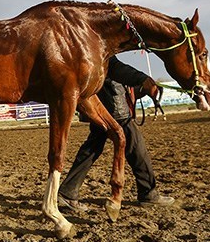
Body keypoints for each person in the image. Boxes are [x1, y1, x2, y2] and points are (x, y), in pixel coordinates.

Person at [58, 56, 175, 212]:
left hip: (107, 106)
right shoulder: (102, 51)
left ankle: (68, 191)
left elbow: (120, 78)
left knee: (92, 149)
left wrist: (142, 87)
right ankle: (148, 194)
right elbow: (116, 69)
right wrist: (142, 79)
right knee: (136, 149)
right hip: (114, 108)